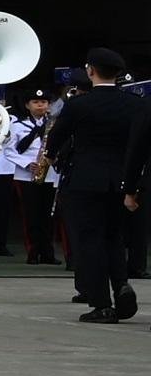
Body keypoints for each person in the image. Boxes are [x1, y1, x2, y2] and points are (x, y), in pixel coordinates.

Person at [52, 49, 146, 321]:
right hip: (121, 180)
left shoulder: (79, 104)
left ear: (90, 71)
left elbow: (57, 138)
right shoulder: (136, 103)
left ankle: (101, 302)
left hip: (84, 180)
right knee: (114, 238)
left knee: (89, 240)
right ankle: (122, 286)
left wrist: (50, 156)